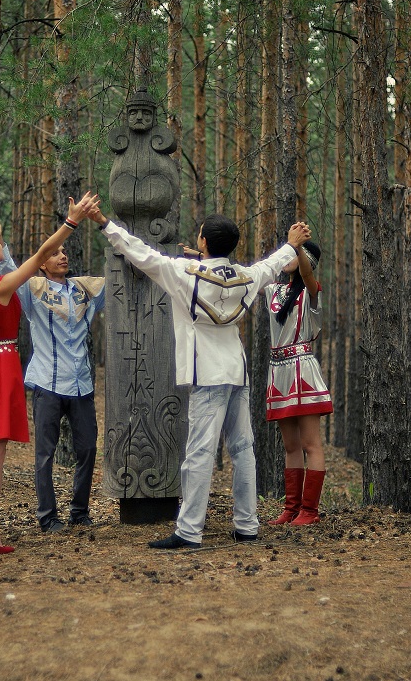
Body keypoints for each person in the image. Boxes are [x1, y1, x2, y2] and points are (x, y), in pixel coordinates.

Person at [85, 203, 312, 549]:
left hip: (206, 373)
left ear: (203, 241)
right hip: (236, 370)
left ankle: (190, 530)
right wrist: (291, 244)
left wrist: (104, 223)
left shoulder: (183, 273)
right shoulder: (244, 276)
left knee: (200, 453)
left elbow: (140, 253)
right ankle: (246, 525)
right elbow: (269, 266)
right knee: (243, 449)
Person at [0, 192, 98, 554]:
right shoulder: (1, 286)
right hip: (0, 367)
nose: (1, 246)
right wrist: (71, 222)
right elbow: (40, 254)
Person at [0, 203, 106, 533]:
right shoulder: (32, 290)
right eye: (55, 253)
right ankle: (47, 517)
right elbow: (8, 269)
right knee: (45, 454)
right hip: (47, 383)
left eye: (64, 252)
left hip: (82, 384)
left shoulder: (85, 288)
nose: (62, 256)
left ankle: (80, 512)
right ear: (41, 263)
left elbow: (118, 281)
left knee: (88, 449)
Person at [264, 240, 333, 526]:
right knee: (290, 445)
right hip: (279, 371)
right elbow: (248, 277)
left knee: (310, 444)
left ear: (309, 261)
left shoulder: (311, 292)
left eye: (296, 255)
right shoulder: (274, 290)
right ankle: (291, 509)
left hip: (302, 371)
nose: (288, 258)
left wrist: (299, 247)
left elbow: (306, 275)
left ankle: (310, 511)